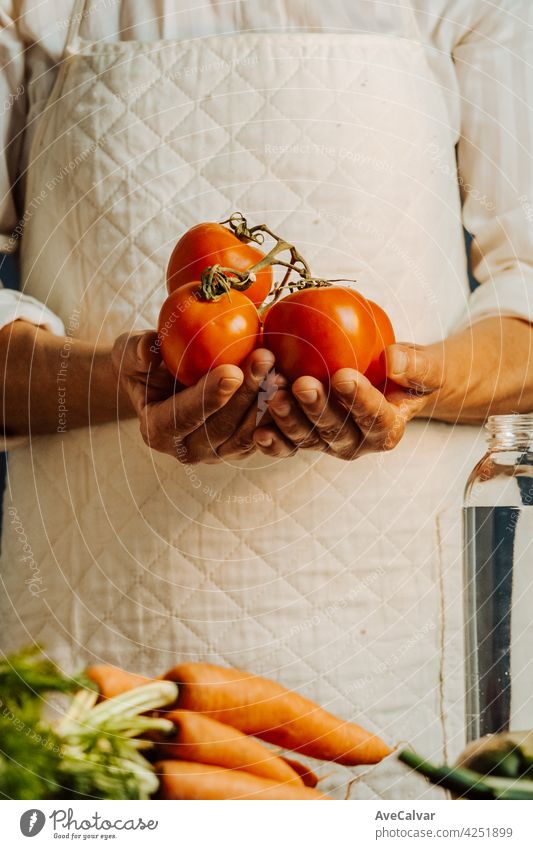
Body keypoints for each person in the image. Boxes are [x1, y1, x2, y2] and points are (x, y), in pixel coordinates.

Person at [1, 0, 532, 799]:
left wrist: (416, 381)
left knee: (395, 790)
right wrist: (123, 376)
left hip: (397, 626)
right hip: (102, 645)